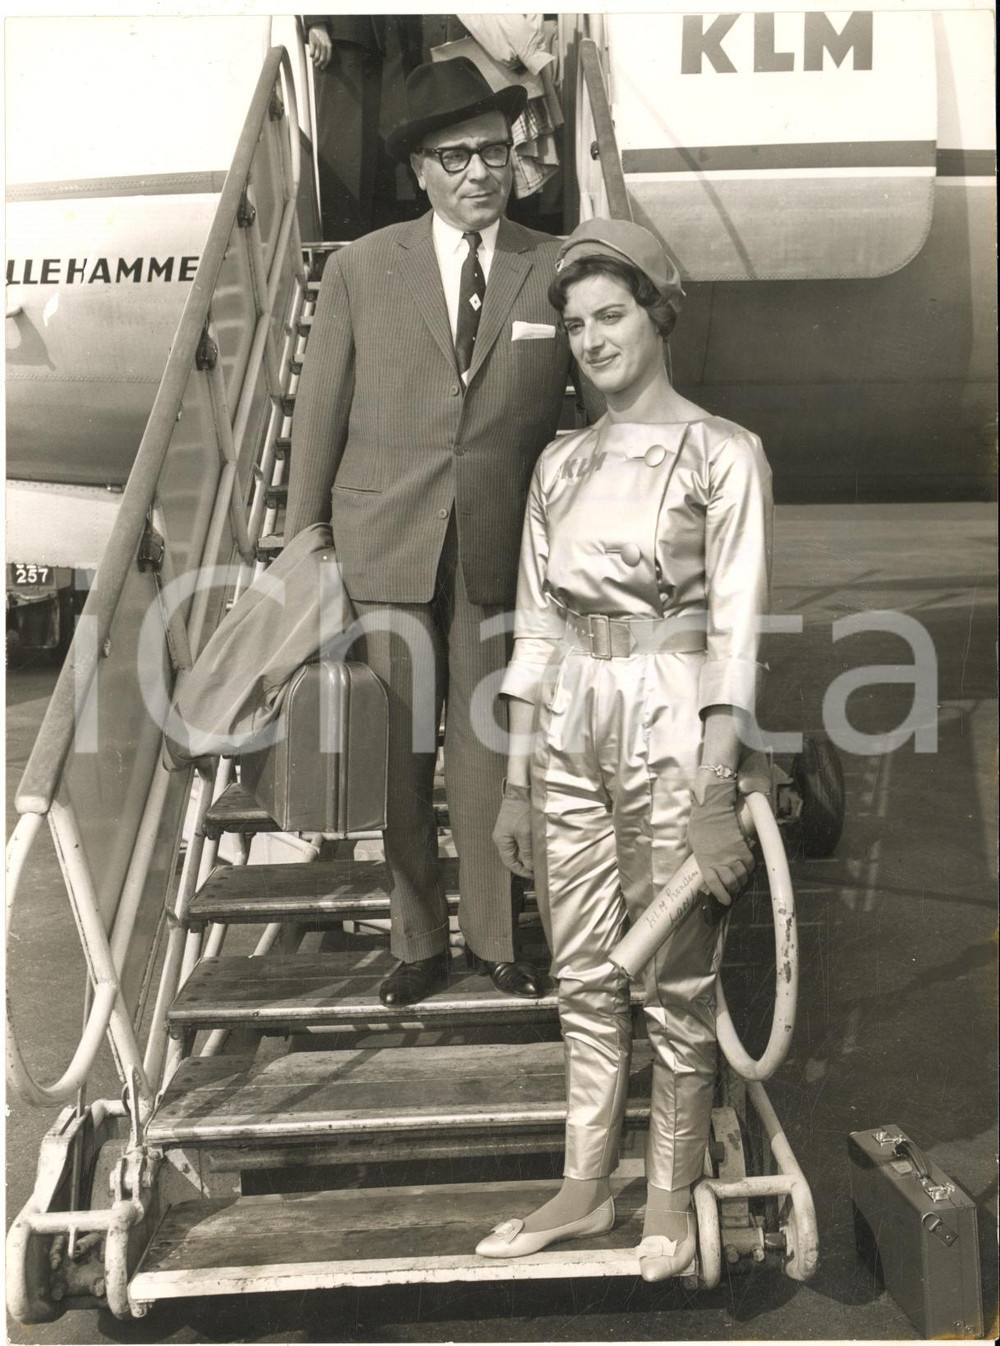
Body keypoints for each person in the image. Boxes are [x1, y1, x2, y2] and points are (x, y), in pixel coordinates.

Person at [479, 219, 772, 1280]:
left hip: (670, 711)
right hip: (566, 724)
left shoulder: (722, 452)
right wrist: (514, 779)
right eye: (574, 323)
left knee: (673, 977)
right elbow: (535, 624)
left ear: (657, 312)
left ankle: (664, 1190)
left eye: (611, 314)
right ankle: (584, 1182)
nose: (592, 338)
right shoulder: (559, 463)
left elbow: (734, 630)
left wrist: (714, 782)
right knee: (583, 970)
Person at [284, 57, 591, 1008]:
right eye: (456, 155)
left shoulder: (557, 267)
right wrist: (305, 549)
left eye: (495, 152)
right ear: (419, 168)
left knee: (492, 748)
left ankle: (499, 937)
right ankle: (417, 941)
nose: (479, 173)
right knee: (401, 754)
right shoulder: (360, 269)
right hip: (386, 544)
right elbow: (320, 418)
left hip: (504, 553)